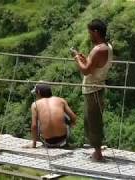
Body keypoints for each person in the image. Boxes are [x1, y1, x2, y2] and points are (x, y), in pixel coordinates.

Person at [72, 19, 113, 161]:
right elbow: (93, 66)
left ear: (96, 32)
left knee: (93, 121)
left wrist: (77, 58)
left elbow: (85, 71)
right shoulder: (106, 47)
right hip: (97, 87)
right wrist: (85, 58)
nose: (89, 35)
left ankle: (98, 153)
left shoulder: (98, 49)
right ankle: (97, 149)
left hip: (93, 89)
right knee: (91, 120)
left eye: (90, 32)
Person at [24, 83, 77, 148]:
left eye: (36, 93)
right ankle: (69, 141)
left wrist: (34, 144)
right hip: (63, 140)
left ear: (39, 92)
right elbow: (73, 118)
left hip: (48, 142)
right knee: (64, 116)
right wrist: (71, 125)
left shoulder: (35, 105)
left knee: (38, 119)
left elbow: (34, 126)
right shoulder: (61, 100)